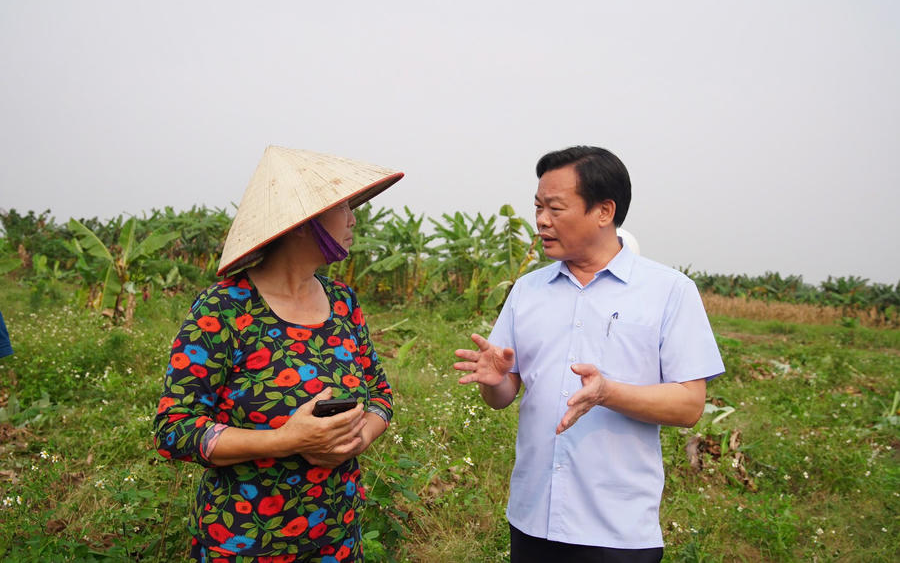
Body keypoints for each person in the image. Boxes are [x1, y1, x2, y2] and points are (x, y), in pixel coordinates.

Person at [453, 146, 724, 563]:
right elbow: (503, 396)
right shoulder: (527, 291)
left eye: (555, 208)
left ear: (603, 211)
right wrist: (495, 382)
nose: (542, 220)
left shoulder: (669, 291)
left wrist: (607, 393)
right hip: (532, 519)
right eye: (538, 206)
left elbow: (689, 405)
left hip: (617, 529)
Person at [154, 146, 403, 563]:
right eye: (343, 207)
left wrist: (358, 438)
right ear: (304, 222)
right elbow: (174, 428)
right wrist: (286, 440)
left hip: (338, 539)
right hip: (243, 544)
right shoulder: (224, 308)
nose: (354, 219)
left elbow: (380, 394)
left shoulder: (343, 302)